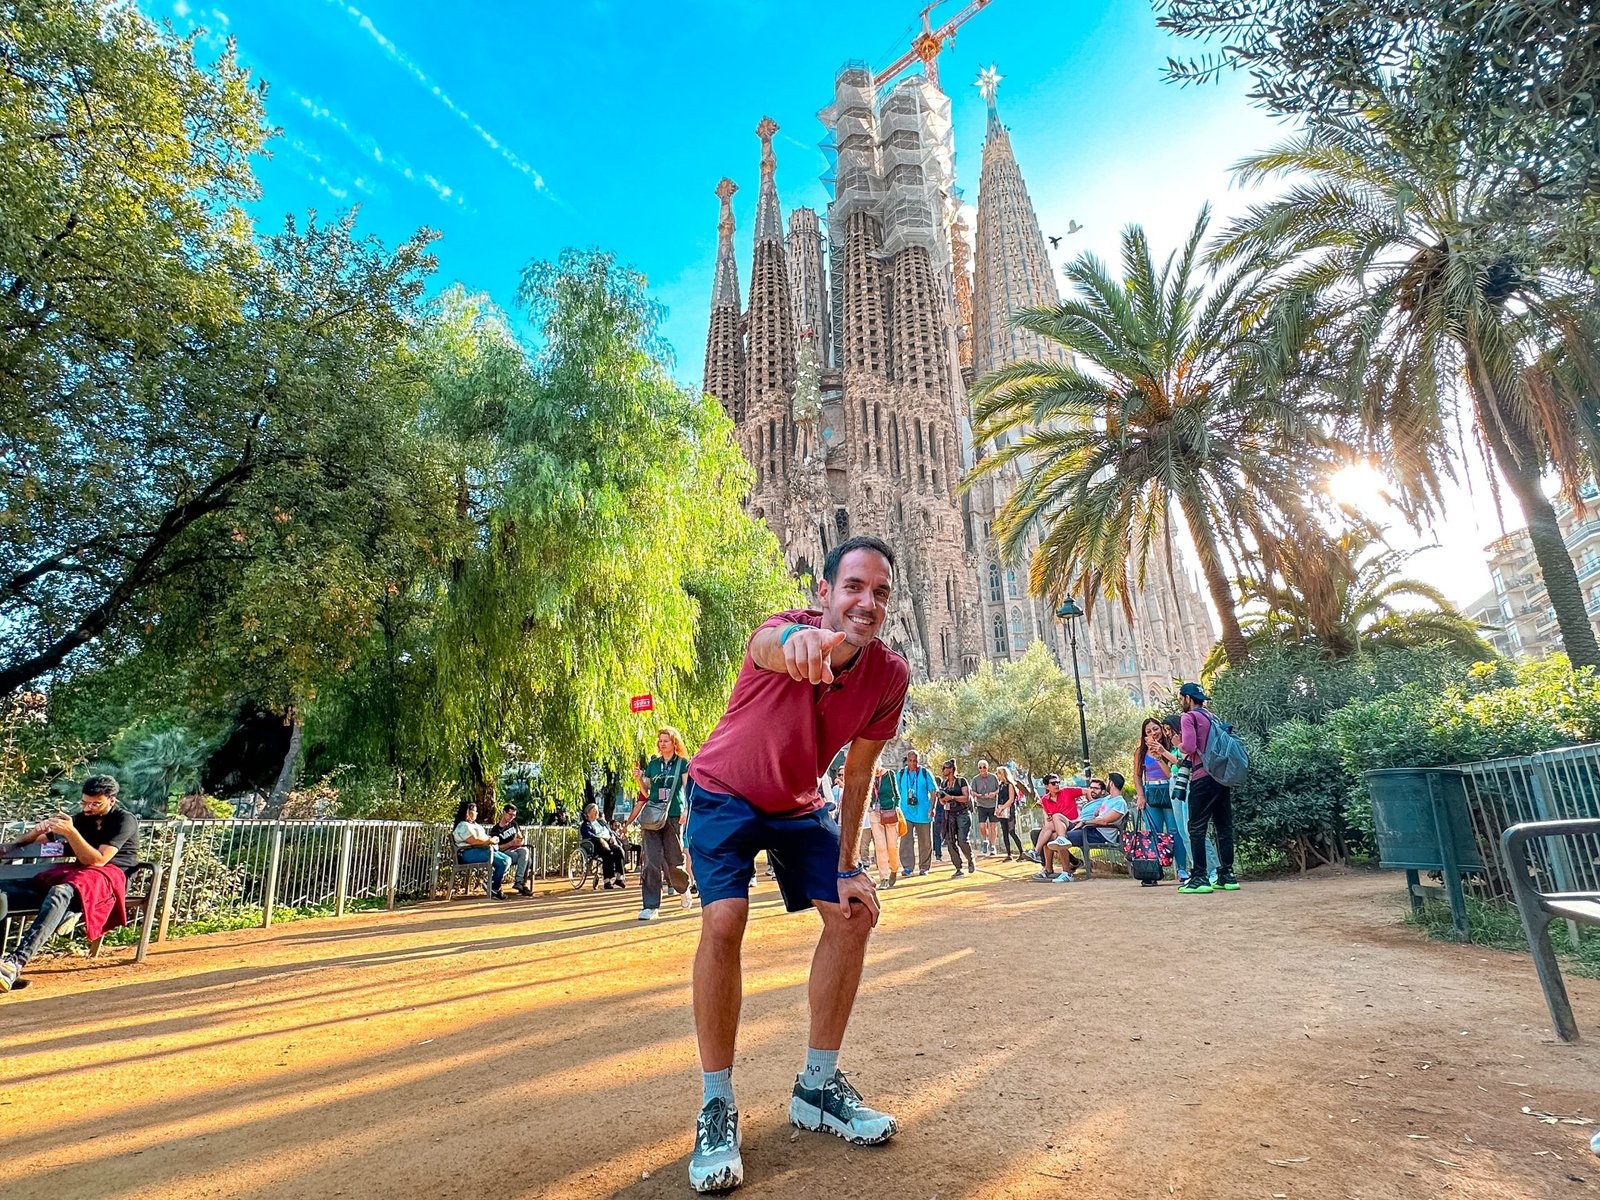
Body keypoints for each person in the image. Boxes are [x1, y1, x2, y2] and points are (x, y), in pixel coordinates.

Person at [682, 536, 909, 1193]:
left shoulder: (888, 676)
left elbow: (860, 770)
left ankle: (817, 1087)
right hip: (725, 790)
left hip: (798, 802)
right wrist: (799, 648)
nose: (866, 602)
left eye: (879, 593)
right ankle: (717, 1103)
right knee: (724, 919)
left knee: (854, 912)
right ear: (825, 594)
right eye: (853, 587)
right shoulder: (783, 632)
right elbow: (768, 647)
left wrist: (847, 864)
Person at [0, 774, 141, 991]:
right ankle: (4, 966)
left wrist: (72, 832)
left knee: (60, 892)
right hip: (78, 876)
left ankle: (15, 962)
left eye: (96, 804)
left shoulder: (124, 820)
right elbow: (26, 841)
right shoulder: (80, 819)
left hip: (110, 878)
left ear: (111, 800)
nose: (88, 808)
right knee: (3, 894)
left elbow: (98, 860)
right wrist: (39, 829)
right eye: (85, 802)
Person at [1177, 682, 1239, 893]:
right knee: (1223, 825)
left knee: (1196, 826)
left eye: (1181, 698)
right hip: (1221, 776)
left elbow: (1189, 747)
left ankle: (1200, 877)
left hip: (1202, 776)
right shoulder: (1212, 717)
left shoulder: (1188, 717)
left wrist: (1179, 744)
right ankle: (1227, 874)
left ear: (1187, 698)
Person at [629, 726, 695, 919]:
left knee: (674, 862)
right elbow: (646, 791)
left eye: (665, 740)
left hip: (673, 815)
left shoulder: (682, 764)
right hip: (652, 817)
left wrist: (686, 810)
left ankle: (683, 888)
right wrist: (640, 779)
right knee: (651, 861)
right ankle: (650, 906)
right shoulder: (653, 764)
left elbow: (688, 789)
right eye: (660, 740)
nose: (662, 743)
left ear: (674, 743)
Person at [1040, 775, 1128, 881]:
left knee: (1056, 838)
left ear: (1112, 784)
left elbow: (1104, 821)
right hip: (1091, 829)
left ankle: (1067, 873)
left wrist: (1085, 822)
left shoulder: (1119, 803)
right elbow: (1098, 812)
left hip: (1100, 834)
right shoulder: (1108, 799)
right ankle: (1056, 861)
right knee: (1057, 818)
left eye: (1108, 781)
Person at [453, 799, 509, 899]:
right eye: (475, 811)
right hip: (468, 853)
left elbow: (484, 838)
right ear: (468, 813)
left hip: (482, 850)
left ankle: (492, 885)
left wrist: (492, 840)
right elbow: (473, 840)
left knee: (507, 860)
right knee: (502, 862)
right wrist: (490, 841)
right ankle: (494, 887)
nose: (477, 813)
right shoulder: (462, 825)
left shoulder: (475, 825)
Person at [894, 751, 937, 876]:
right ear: (907, 760)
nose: (913, 763)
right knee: (906, 840)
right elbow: (896, 792)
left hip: (923, 812)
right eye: (911, 760)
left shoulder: (925, 773)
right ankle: (907, 867)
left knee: (925, 841)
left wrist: (932, 807)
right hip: (905, 811)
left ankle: (924, 867)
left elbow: (933, 791)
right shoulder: (901, 774)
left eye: (915, 761)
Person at [1028, 774, 1082, 863]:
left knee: (1051, 831)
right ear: (1046, 786)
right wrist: (1049, 819)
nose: (1057, 784)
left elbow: (1087, 791)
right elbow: (1048, 816)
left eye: (1058, 782)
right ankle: (1047, 867)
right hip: (1056, 826)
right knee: (1036, 833)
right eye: (1053, 783)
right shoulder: (1045, 799)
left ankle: (1037, 854)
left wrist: (1092, 803)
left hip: (1072, 824)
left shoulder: (1067, 791)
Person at [488, 803, 535, 896]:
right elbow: (496, 847)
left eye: (514, 815)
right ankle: (521, 884)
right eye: (510, 814)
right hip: (504, 853)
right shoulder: (496, 829)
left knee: (525, 851)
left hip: (516, 850)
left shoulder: (514, 824)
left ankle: (519, 882)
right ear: (504, 813)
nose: (512, 817)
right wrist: (510, 843)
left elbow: (520, 837)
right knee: (527, 859)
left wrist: (520, 841)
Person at [938, 759, 975, 877]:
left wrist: (952, 797)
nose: (943, 770)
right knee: (950, 841)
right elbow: (942, 800)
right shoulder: (944, 784)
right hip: (949, 815)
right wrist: (943, 799)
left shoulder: (961, 781)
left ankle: (970, 859)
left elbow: (966, 798)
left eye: (945, 768)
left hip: (962, 813)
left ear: (951, 769)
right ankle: (958, 867)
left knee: (962, 840)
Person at [869, 766, 901, 887]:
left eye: (876, 769)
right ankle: (884, 878)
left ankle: (894, 869)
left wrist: (896, 807)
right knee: (880, 846)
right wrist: (870, 806)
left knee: (892, 846)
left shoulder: (889, 774)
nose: (875, 771)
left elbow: (897, 795)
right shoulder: (869, 775)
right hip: (875, 813)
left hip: (889, 812)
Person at [580, 804, 627, 887]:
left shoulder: (601, 822)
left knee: (619, 850)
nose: (597, 812)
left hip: (608, 840)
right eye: (594, 811)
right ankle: (607, 880)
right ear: (588, 813)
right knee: (607, 852)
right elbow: (587, 834)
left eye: (597, 810)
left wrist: (612, 837)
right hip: (596, 843)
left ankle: (619, 878)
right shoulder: (585, 824)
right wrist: (600, 839)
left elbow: (610, 831)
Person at [993, 765, 1030, 861]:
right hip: (1002, 811)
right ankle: (1009, 854)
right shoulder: (1000, 785)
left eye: (999, 773)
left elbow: (1011, 799)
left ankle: (1022, 852)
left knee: (1011, 831)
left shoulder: (1010, 785)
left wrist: (1002, 808)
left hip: (1009, 811)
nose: (997, 775)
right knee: (1004, 832)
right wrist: (998, 809)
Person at [970, 760, 1000, 856]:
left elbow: (999, 788)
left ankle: (993, 846)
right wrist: (977, 795)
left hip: (993, 804)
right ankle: (985, 841)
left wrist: (993, 794)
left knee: (993, 826)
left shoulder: (993, 777)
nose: (982, 769)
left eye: (984, 767)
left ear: (987, 768)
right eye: (980, 767)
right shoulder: (975, 779)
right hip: (981, 804)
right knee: (982, 825)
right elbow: (972, 792)